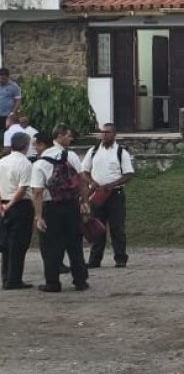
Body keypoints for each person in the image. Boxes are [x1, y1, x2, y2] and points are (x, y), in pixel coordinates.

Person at [31, 129, 88, 293]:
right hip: (71, 205)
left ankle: (53, 282)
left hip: (51, 208)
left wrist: (39, 216)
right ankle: (80, 280)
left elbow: (37, 192)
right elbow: (82, 180)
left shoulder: (40, 164)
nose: (35, 149)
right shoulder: (70, 156)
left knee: (50, 246)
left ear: (42, 144)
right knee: (75, 244)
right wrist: (84, 202)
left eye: (36, 145)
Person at [81, 123, 135, 269]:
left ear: (114, 134)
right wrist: (92, 182)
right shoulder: (93, 151)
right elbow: (84, 171)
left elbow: (128, 174)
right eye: (102, 132)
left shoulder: (120, 152)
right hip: (97, 194)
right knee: (97, 227)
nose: (104, 135)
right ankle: (95, 259)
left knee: (117, 228)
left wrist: (112, 184)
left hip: (114, 194)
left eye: (108, 132)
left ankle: (120, 258)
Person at [0, 131, 34, 289]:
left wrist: (3, 204)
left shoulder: (2, 161)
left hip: (3, 204)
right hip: (20, 205)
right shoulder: (25, 163)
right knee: (19, 244)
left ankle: (6, 276)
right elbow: (22, 189)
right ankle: (14, 279)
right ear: (25, 146)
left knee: (6, 243)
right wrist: (11, 203)